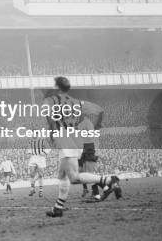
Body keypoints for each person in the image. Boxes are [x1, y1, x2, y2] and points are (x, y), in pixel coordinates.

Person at [44, 77, 121, 218]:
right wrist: (98, 125)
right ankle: (58, 208)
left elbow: (51, 122)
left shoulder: (50, 101)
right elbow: (99, 110)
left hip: (64, 140)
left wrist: (53, 136)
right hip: (76, 140)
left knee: (73, 177)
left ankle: (108, 180)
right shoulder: (77, 102)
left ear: (56, 87)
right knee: (62, 176)